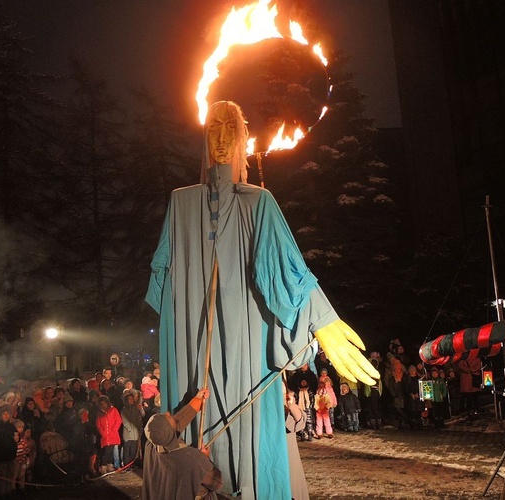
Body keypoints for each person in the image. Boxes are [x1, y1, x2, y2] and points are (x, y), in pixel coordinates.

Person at [146, 100, 379, 498]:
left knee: (252, 449)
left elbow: (283, 272)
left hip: (245, 351)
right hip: (193, 349)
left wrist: (323, 321)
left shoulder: (258, 201)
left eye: (229, 128)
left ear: (241, 138)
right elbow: (163, 288)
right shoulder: (180, 203)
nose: (221, 138)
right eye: (213, 128)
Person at [142, 389, 222, 500]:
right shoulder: (193, 458)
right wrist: (205, 459)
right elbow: (216, 483)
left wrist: (197, 400)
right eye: (168, 417)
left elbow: (176, 423)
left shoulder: (150, 446)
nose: (168, 413)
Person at [94, 396, 121, 473]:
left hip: (113, 435)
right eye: (101, 404)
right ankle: (104, 465)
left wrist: (113, 430)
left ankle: (108, 465)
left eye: (105, 403)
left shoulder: (113, 410)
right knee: (106, 451)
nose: (103, 405)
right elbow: (98, 424)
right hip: (105, 436)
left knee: (110, 450)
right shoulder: (99, 413)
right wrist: (102, 432)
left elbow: (118, 420)